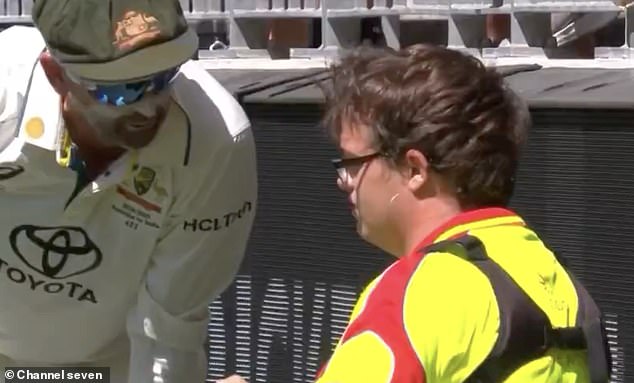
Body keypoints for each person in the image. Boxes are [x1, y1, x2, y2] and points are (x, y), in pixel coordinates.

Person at [312, 44, 612, 382]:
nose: (343, 181)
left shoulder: (417, 294)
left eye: (352, 164)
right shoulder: (558, 279)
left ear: (415, 170)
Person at [0, 0, 257, 382]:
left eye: (164, 76)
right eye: (122, 91)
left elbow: (168, 334)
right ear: (56, 75)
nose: (151, 107)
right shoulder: (6, 86)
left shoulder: (215, 140)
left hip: (108, 366)